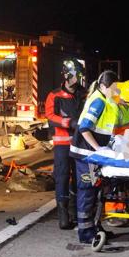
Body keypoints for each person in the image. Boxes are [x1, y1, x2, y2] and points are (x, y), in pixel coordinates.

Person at [69, 70, 120, 243]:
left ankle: (94, 226)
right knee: (88, 190)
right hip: (86, 155)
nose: (116, 91)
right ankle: (85, 232)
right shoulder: (98, 101)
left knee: (96, 189)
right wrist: (98, 148)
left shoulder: (104, 99)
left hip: (91, 154)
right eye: (113, 88)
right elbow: (84, 128)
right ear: (104, 86)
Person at [45, 60, 85, 229]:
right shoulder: (55, 95)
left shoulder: (84, 94)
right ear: (67, 75)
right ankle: (63, 214)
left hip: (80, 143)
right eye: (76, 75)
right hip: (62, 144)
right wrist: (68, 122)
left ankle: (77, 212)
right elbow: (50, 116)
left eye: (80, 75)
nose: (79, 78)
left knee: (79, 177)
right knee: (62, 177)